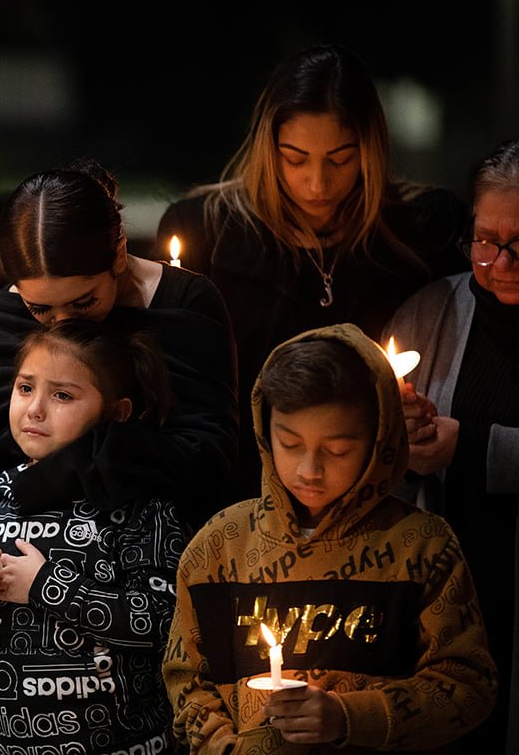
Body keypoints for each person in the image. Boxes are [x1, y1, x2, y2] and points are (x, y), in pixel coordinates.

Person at [163, 323, 497, 753]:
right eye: (289, 443)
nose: (309, 470)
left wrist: (349, 717)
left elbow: (468, 685)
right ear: (265, 433)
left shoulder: (421, 545)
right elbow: (186, 677)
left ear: (380, 440)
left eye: (337, 450)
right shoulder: (220, 544)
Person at [156, 44, 467, 496]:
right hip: (234, 499)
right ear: (269, 148)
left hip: (375, 503)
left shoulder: (426, 231)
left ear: (370, 149)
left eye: (339, 158)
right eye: (295, 159)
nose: (317, 184)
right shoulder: (206, 229)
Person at [0, 159, 238, 535]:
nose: (65, 323)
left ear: (119, 253)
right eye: (39, 308)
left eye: (83, 302)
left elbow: (207, 466)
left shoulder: (182, 307)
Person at [0, 320, 185, 753]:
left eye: (62, 395)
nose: (35, 409)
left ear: (116, 411)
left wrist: (46, 587)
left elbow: (164, 623)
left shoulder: (136, 504)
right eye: (25, 388)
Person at [384, 138, 519, 752]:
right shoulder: (432, 312)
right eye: (486, 241)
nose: (500, 262)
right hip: (449, 597)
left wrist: (472, 450)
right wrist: (400, 443)